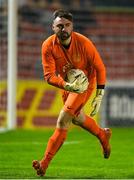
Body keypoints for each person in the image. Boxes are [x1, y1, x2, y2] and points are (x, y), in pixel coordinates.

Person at [32, 9, 112, 177]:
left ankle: (44, 163)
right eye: (59, 26)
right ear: (53, 27)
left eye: (67, 25)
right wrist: (67, 86)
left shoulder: (84, 43)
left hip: (85, 85)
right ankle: (102, 134)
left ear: (72, 26)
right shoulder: (48, 45)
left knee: (63, 120)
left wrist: (99, 94)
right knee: (76, 118)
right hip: (67, 85)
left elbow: (100, 68)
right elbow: (49, 76)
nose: (64, 29)